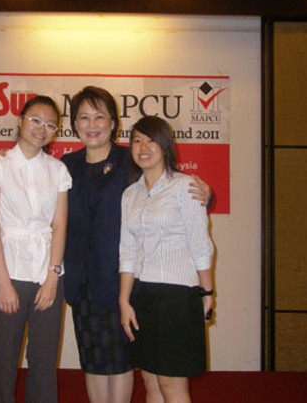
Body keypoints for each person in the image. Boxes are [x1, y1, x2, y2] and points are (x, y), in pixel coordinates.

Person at [61, 86, 212, 403]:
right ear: (74, 124)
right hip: (82, 281)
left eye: (99, 116)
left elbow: (170, 191)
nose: (92, 124)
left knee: (123, 362)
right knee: (93, 361)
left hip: (121, 281)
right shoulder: (66, 165)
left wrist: (208, 195)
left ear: (113, 123)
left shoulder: (128, 161)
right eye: (84, 117)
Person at [0, 95, 72, 403]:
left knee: (44, 362)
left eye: (50, 124)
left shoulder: (58, 171)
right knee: (5, 358)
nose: (41, 129)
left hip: (48, 276)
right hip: (10, 274)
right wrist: (4, 284)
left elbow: (60, 226)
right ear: (21, 121)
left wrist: (53, 278)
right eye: (35, 120)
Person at [118, 115, 215, 403]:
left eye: (151, 140)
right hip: (142, 295)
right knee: (149, 381)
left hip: (177, 296)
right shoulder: (129, 194)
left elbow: (201, 244)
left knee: (171, 383)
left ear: (165, 145)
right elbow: (128, 251)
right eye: (136, 140)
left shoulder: (186, 187)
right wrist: (124, 300)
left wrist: (207, 292)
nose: (143, 147)